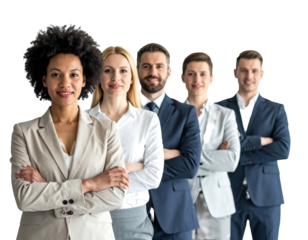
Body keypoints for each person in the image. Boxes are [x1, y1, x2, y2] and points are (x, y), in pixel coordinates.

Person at [10, 21, 128, 240]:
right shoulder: (23, 132)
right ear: (44, 79)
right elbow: (24, 198)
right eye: (56, 74)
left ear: (85, 79)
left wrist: (46, 189)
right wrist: (90, 184)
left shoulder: (106, 129)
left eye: (73, 75)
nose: (65, 83)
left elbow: (116, 196)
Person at [85, 45, 164, 240]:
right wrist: (131, 167)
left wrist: (100, 180)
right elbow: (76, 172)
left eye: (123, 71)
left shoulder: (148, 120)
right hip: (90, 217)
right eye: (108, 70)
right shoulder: (82, 120)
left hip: (133, 219)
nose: (115, 78)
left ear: (131, 78)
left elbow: (153, 176)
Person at [216, 50, 292, 240]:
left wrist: (238, 152)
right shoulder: (218, 108)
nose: (249, 76)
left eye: (254, 71)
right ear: (234, 73)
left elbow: (284, 148)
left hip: (267, 195)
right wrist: (261, 141)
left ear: (262, 75)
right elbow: (215, 148)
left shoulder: (277, 109)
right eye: (244, 70)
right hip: (228, 194)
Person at [135, 42, 201, 240]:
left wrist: (141, 165)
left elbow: (190, 165)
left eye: (159, 66)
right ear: (137, 71)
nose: (152, 72)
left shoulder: (186, 113)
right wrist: (170, 153)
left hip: (176, 216)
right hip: (133, 214)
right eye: (146, 66)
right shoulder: (124, 112)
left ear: (170, 72)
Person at [180, 52, 240, 240]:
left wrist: (186, 158)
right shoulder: (172, 115)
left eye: (203, 74)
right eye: (191, 74)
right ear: (182, 77)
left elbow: (231, 160)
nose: (197, 79)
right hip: (181, 198)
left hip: (216, 201)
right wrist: (214, 158)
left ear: (212, 79)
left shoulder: (225, 115)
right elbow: (164, 160)